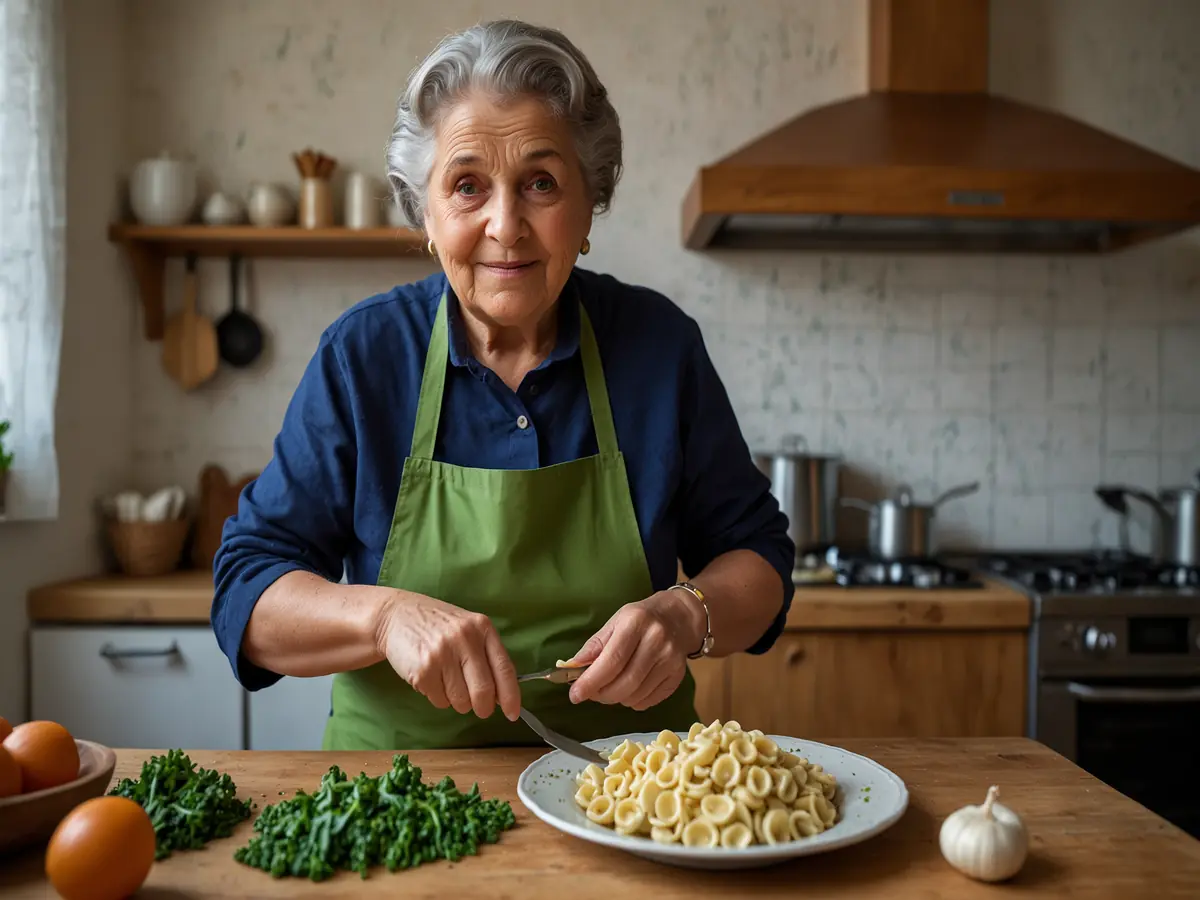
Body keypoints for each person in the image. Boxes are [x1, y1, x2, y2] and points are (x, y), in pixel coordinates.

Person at [211, 19, 794, 751]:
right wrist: (383, 618)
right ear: (426, 212)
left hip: (630, 793)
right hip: (396, 802)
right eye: (467, 186)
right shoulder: (363, 358)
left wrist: (686, 612)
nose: (506, 224)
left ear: (589, 205)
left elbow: (760, 558)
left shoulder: (659, 349)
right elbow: (247, 588)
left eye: (541, 183)